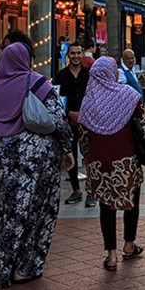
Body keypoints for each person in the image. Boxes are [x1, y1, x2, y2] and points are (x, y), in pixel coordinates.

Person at [0, 40, 73, 286]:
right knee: (35, 213)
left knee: (0, 215)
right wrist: (67, 148)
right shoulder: (37, 83)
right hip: (33, 164)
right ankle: (24, 267)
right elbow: (58, 119)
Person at [78, 56, 145, 271]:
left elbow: (83, 137)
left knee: (106, 207)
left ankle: (111, 256)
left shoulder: (88, 101)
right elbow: (141, 118)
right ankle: (129, 244)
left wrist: (87, 158)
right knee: (131, 201)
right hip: (126, 161)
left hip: (99, 164)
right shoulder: (128, 95)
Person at [54, 42, 94, 207]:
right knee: (70, 156)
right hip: (69, 121)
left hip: (87, 121)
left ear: (82, 54)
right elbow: (57, 99)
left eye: (78, 53)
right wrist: (69, 113)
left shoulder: (89, 74)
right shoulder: (61, 75)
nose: (76, 56)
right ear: (68, 55)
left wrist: (84, 113)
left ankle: (91, 192)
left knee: (89, 157)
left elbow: (93, 96)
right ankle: (76, 190)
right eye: (73, 53)